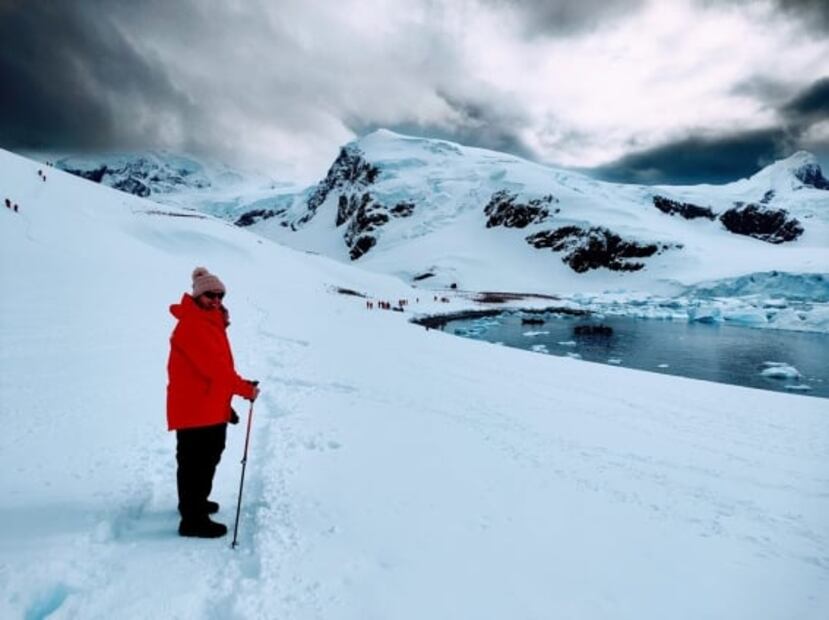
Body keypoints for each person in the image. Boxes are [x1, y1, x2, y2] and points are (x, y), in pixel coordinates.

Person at [166, 267, 259, 538]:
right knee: (198, 463)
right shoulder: (195, 325)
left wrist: (225, 402)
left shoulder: (207, 320)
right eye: (210, 295)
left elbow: (212, 372)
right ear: (197, 295)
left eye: (220, 295)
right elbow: (217, 371)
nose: (216, 300)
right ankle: (193, 520)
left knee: (202, 459)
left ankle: (193, 504)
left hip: (202, 404)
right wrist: (244, 390)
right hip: (195, 409)